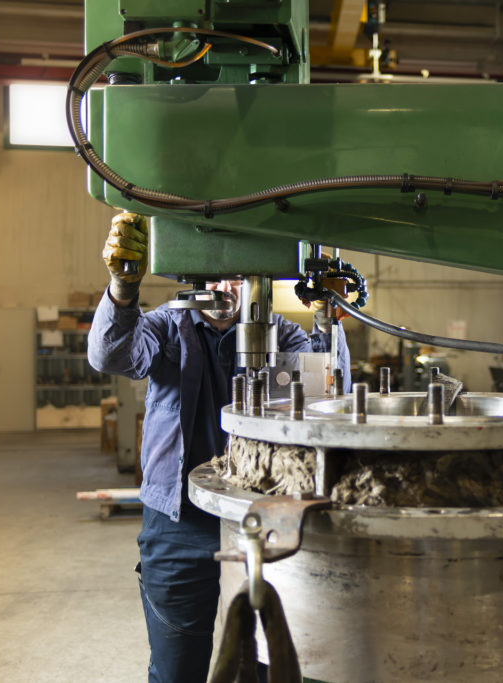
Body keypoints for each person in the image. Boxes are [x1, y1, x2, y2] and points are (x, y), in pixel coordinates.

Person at [87, 212, 350, 683]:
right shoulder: (167, 328)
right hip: (178, 525)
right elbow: (110, 354)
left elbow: (328, 391)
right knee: (176, 669)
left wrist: (327, 319)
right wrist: (123, 291)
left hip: (262, 520)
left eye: (236, 276)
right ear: (190, 274)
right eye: (212, 276)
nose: (226, 288)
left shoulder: (280, 334)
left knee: (264, 664)